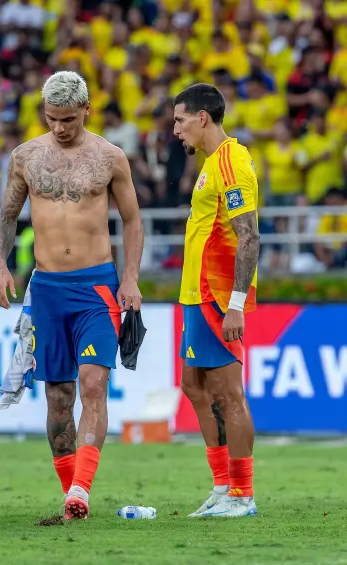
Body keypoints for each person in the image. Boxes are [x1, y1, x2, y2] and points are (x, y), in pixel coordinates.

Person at [0, 71, 144, 520]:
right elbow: (7, 216)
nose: (60, 127)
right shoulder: (26, 156)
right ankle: (70, 495)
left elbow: (133, 220)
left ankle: (81, 488)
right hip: (48, 290)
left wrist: (130, 278)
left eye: (69, 119)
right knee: (58, 398)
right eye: (52, 118)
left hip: (97, 287)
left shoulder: (110, 157)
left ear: (87, 110)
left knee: (93, 384)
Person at [172, 83, 259, 518]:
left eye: (180, 120)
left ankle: (242, 494)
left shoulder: (231, 161)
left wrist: (236, 304)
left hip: (216, 296)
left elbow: (249, 236)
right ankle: (223, 486)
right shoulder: (210, 164)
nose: (176, 130)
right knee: (194, 385)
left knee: (228, 393)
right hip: (195, 294)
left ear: (202, 117)